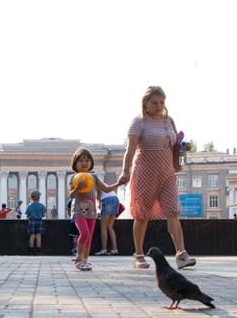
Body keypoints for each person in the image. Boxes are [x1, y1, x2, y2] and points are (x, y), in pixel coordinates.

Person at [118, 86, 196, 269]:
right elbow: (130, 150)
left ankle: (181, 254)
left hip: (166, 172)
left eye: (162, 102)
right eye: (154, 102)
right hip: (145, 172)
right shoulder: (139, 122)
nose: (159, 106)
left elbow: (174, 144)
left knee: (173, 210)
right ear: (145, 103)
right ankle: (138, 254)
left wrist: (183, 147)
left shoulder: (168, 121)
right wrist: (125, 170)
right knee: (142, 214)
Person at [68, 148, 121, 271]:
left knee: (89, 237)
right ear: (75, 164)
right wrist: (78, 187)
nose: (84, 163)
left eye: (87, 160)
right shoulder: (75, 178)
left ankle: (85, 261)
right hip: (78, 212)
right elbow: (71, 195)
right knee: (84, 233)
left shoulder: (94, 177)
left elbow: (106, 189)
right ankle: (79, 258)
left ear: (91, 163)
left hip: (92, 213)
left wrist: (119, 184)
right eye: (81, 161)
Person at [95, 188, 120, 256]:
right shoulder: (103, 183)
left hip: (107, 200)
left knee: (103, 227)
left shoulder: (95, 181)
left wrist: (99, 203)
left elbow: (99, 193)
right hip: (115, 199)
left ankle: (104, 249)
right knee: (110, 226)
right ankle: (115, 249)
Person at [25, 190, 47, 255]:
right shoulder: (41, 205)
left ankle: (31, 250)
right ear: (39, 197)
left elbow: (27, 215)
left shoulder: (29, 206)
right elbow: (43, 215)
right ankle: (39, 250)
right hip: (39, 221)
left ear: (31, 198)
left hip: (31, 221)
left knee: (32, 235)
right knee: (38, 235)